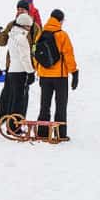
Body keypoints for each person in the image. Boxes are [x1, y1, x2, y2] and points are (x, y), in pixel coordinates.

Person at [34, 9, 79, 140]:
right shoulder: (62, 35)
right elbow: (68, 55)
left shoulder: (41, 34)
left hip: (44, 76)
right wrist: (74, 72)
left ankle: (42, 132)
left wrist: (38, 69)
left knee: (44, 105)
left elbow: (35, 54)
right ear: (60, 20)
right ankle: (60, 134)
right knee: (60, 105)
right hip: (60, 77)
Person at [0, 10, 36, 125]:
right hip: (20, 72)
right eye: (28, 26)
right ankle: (15, 127)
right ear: (24, 25)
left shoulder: (12, 36)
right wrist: (31, 72)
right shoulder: (22, 38)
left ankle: (10, 123)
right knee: (19, 101)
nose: (29, 29)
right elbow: (25, 58)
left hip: (12, 70)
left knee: (13, 99)